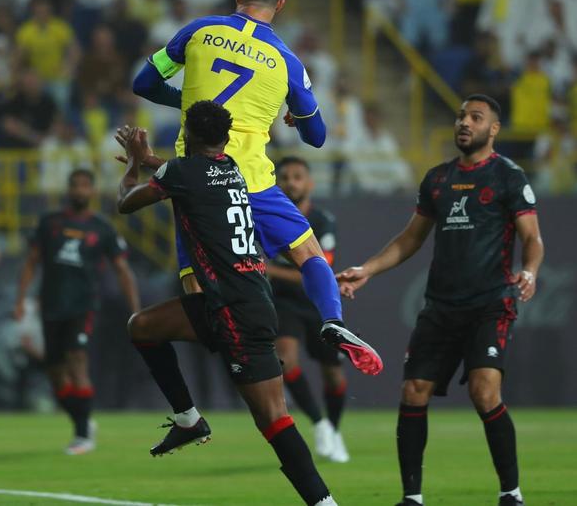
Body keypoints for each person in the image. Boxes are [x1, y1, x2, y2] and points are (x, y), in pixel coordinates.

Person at [132, 0, 382, 376]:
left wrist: (197, 104)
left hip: (197, 180)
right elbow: (317, 136)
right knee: (308, 253)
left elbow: (143, 83)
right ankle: (333, 321)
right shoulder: (287, 61)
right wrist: (297, 118)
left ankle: (228, 347)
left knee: (197, 278)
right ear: (279, 5)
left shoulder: (198, 31)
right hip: (254, 180)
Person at [117, 102, 338, 506]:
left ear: (189, 133)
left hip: (235, 311)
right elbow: (186, 176)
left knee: (274, 420)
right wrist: (151, 159)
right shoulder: (233, 169)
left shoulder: (183, 173)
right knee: (142, 327)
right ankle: (188, 419)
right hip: (241, 299)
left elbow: (126, 201)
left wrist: (134, 164)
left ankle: (324, 503)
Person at [337, 94, 544, 506]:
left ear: (493, 129)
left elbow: (532, 238)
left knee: (485, 392)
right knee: (413, 390)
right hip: (440, 306)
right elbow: (411, 238)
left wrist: (531, 270)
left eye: (475, 117)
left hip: (490, 302)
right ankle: (412, 498)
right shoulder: (437, 179)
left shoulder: (508, 176)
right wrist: (369, 270)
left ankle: (511, 494)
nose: (464, 122)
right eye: (461, 116)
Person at [13, 169, 140, 455]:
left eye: (85, 186)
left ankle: (82, 435)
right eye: (75, 186)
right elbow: (31, 262)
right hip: (51, 305)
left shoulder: (102, 228)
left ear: (92, 191)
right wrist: (20, 300)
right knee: (56, 375)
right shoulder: (49, 223)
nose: (80, 191)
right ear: (68, 190)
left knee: (77, 360)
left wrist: (136, 310)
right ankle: (82, 421)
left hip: (83, 306)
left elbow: (123, 270)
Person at [269, 157, 349, 464]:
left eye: (298, 176)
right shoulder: (267, 216)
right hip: (284, 302)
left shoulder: (323, 220)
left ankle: (335, 429)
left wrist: (270, 270)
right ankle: (319, 423)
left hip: (318, 301)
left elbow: (320, 269)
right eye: (285, 176)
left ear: (310, 183)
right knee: (285, 360)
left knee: (333, 375)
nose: (291, 182)